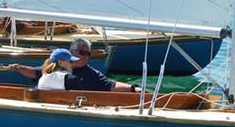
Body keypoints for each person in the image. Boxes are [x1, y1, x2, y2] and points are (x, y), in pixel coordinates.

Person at [11, 37, 139, 92]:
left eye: (88, 54)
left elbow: (110, 85)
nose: (85, 56)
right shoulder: (64, 77)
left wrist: (133, 88)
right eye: (82, 52)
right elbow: (34, 72)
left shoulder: (47, 74)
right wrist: (19, 68)